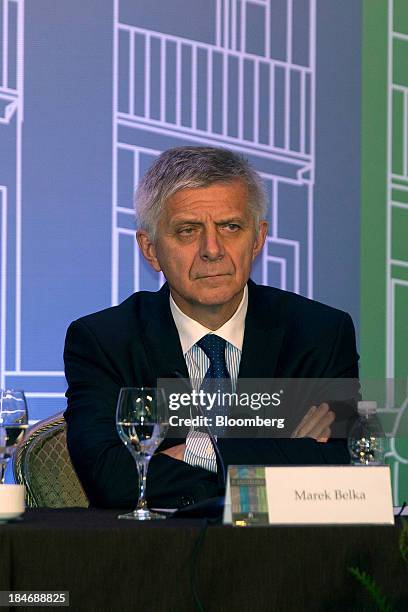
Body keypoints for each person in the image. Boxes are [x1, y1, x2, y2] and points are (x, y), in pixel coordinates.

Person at [64, 146, 359, 509]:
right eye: (188, 231)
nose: (212, 249)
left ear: (258, 238)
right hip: (156, 558)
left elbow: (342, 474)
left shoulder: (320, 334)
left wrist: (200, 450)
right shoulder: (104, 341)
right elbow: (112, 479)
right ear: (150, 249)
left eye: (230, 227)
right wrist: (282, 455)